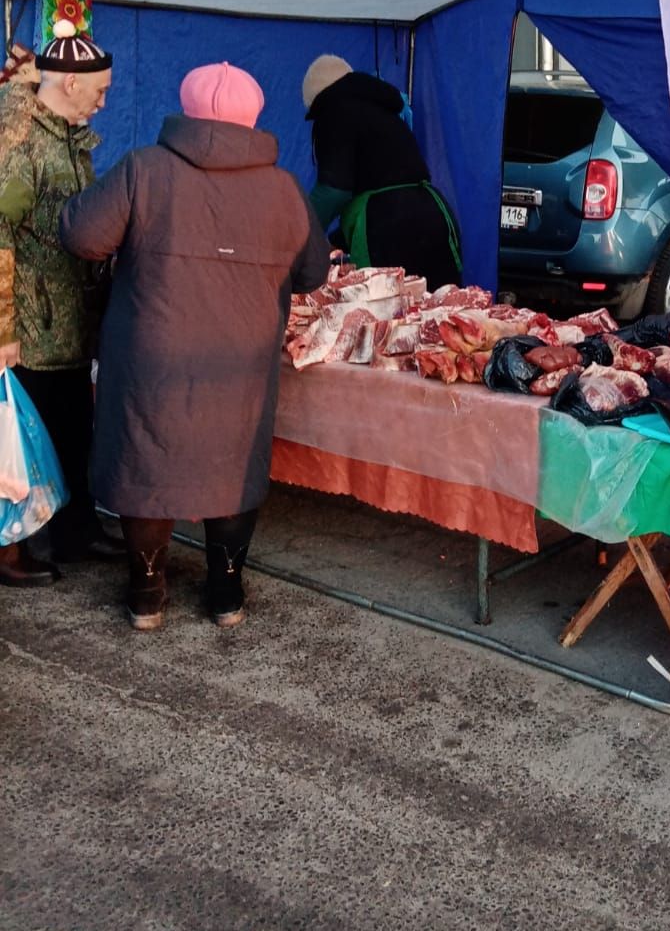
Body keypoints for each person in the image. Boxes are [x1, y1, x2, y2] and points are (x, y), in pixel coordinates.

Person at [60, 62, 329, 630]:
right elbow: (312, 274)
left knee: (145, 461)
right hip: (242, 361)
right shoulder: (284, 188)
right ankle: (226, 597)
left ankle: (147, 597)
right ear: (254, 117)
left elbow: (83, 236)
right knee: (231, 464)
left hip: (150, 353)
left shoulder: (143, 170)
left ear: (184, 111)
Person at [0, 20, 124, 585]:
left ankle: (76, 531)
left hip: (69, 315)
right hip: (31, 322)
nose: (102, 104)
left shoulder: (68, 137)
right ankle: (15, 545)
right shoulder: (22, 143)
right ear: (70, 84)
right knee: (23, 442)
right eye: (99, 92)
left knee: (74, 427)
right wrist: (3, 329)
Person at [302, 55, 461, 286]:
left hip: (387, 229)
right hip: (433, 212)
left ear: (317, 99)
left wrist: (301, 230)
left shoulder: (334, 109)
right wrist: (337, 239)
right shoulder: (381, 107)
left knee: (386, 308)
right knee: (441, 308)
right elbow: (381, 178)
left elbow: (334, 191)